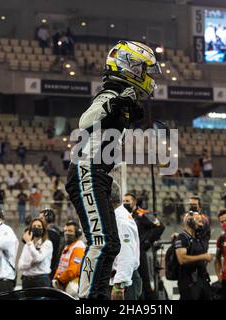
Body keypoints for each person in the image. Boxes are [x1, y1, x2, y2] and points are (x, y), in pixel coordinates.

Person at [65, 40, 160, 300]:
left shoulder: (120, 95)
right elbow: (85, 120)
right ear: (130, 67)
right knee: (103, 241)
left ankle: (95, 295)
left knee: (110, 243)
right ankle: (88, 298)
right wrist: (115, 105)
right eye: (144, 70)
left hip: (97, 174)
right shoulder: (110, 94)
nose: (147, 77)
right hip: (88, 171)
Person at [123, 192, 165, 300]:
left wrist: (147, 241)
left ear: (134, 202)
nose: (125, 203)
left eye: (127, 201)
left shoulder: (143, 214)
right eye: (123, 201)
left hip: (143, 254)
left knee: (147, 281)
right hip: (129, 253)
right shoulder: (123, 215)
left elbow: (160, 226)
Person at [109, 182, 141, 300]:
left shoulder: (121, 220)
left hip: (124, 282)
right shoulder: (116, 216)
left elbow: (126, 254)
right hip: (119, 278)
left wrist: (119, 286)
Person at [174, 212, 213, 300]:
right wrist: (203, 257)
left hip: (202, 279)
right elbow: (182, 259)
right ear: (190, 222)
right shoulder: (182, 238)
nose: (201, 224)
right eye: (199, 221)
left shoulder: (197, 238)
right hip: (189, 282)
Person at [52, 220, 86, 297]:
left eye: (70, 231)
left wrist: (60, 280)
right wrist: (56, 278)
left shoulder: (79, 247)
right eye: (65, 231)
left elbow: (73, 270)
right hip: (64, 284)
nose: (67, 233)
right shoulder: (68, 246)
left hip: (72, 285)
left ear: (77, 233)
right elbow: (61, 266)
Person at [18, 218, 53, 289]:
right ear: (30, 229)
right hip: (27, 280)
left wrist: (29, 243)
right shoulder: (27, 245)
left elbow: (38, 259)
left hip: (41, 280)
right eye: (34, 226)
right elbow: (20, 266)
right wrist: (30, 264)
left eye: (39, 226)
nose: (36, 228)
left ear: (43, 229)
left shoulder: (47, 244)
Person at [38, 208, 64, 280]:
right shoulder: (57, 231)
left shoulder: (50, 233)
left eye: (41, 218)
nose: (39, 221)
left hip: (49, 270)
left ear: (48, 218)